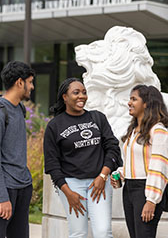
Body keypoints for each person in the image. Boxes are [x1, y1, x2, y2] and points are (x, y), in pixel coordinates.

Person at [43, 78, 122, 238]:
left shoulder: (98, 118)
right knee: (78, 232)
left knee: (103, 232)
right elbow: (52, 164)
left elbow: (113, 148)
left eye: (84, 92)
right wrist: (67, 193)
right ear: (65, 97)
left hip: (98, 182)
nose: (82, 96)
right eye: (76, 92)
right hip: (71, 185)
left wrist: (103, 175)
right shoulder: (55, 125)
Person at [0, 61, 35, 238]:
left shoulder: (19, 108)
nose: (32, 87)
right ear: (20, 82)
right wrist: (1, 197)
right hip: (1, 187)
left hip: (21, 185)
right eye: (30, 82)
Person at [111, 85, 168, 238]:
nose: (129, 103)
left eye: (134, 99)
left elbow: (159, 167)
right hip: (130, 189)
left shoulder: (158, 131)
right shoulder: (133, 131)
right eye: (130, 99)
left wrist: (151, 200)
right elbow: (133, 162)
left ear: (146, 103)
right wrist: (120, 175)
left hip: (145, 190)